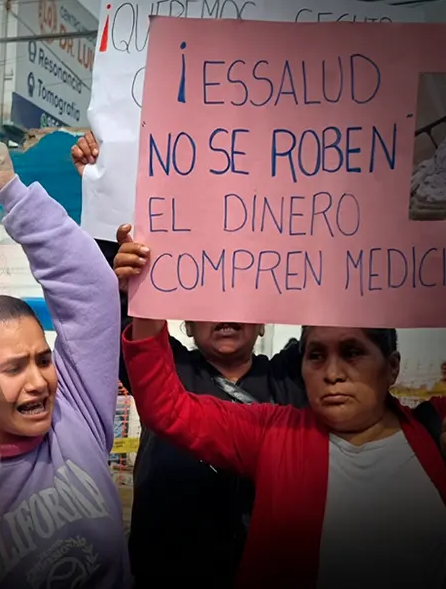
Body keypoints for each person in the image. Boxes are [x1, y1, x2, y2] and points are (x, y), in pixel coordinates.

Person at [73, 132, 307, 587]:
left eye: (238, 299)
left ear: (264, 322)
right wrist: (105, 189)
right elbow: (117, 302)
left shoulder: (295, 379)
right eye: (208, 296)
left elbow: (339, 306)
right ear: (183, 324)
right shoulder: (164, 374)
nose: (224, 312)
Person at [123, 315, 446, 587]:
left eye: (352, 352)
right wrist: (148, 303)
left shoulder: (434, 434)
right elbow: (167, 408)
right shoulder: (273, 433)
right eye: (316, 355)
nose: (333, 373)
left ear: (392, 367)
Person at [0, 139, 129, 589]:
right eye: (13, 368)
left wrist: (10, 190)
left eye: (44, 360)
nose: (39, 382)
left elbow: (91, 291)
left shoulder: (76, 416)